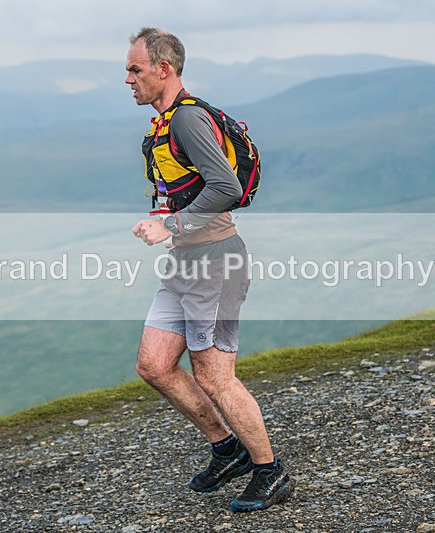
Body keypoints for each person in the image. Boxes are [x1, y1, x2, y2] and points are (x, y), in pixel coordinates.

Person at [126, 27, 295, 512]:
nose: (128, 79)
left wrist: (172, 223)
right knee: (155, 365)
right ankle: (227, 450)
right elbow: (189, 186)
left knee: (215, 375)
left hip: (217, 263)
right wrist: (161, 221)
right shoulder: (161, 126)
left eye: (136, 69)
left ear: (165, 69)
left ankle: (269, 471)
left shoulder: (188, 120)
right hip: (186, 261)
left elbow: (225, 187)